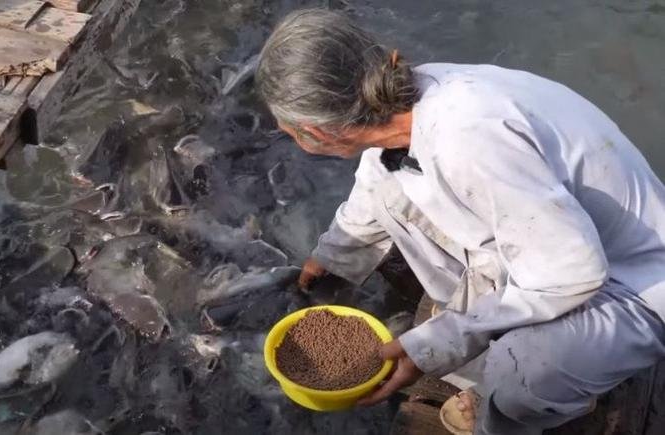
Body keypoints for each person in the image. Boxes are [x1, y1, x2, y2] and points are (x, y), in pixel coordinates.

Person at [255, 9, 665, 435]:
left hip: (631, 285)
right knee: (395, 200)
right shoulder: (414, 99)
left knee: (521, 375)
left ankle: (505, 418)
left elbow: (574, 274)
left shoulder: (468, 139)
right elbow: (378, 181)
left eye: (290, 132)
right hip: (564, 242)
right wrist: (332, 256)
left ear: (317, 133)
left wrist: (433, 346)